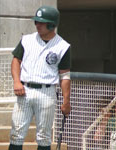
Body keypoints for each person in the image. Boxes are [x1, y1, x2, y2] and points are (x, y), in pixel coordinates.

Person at [8, 5, 71, 150]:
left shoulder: (63, 45)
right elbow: (16, 60)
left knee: (44, 136)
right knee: (16, 133)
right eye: (36, 21)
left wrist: (66, 101)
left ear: (52, 24)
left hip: (47, 91)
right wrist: (17, 81)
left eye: (42, 22)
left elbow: (65, 75)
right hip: (25, 89)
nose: (38, 25)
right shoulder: (27, 39)